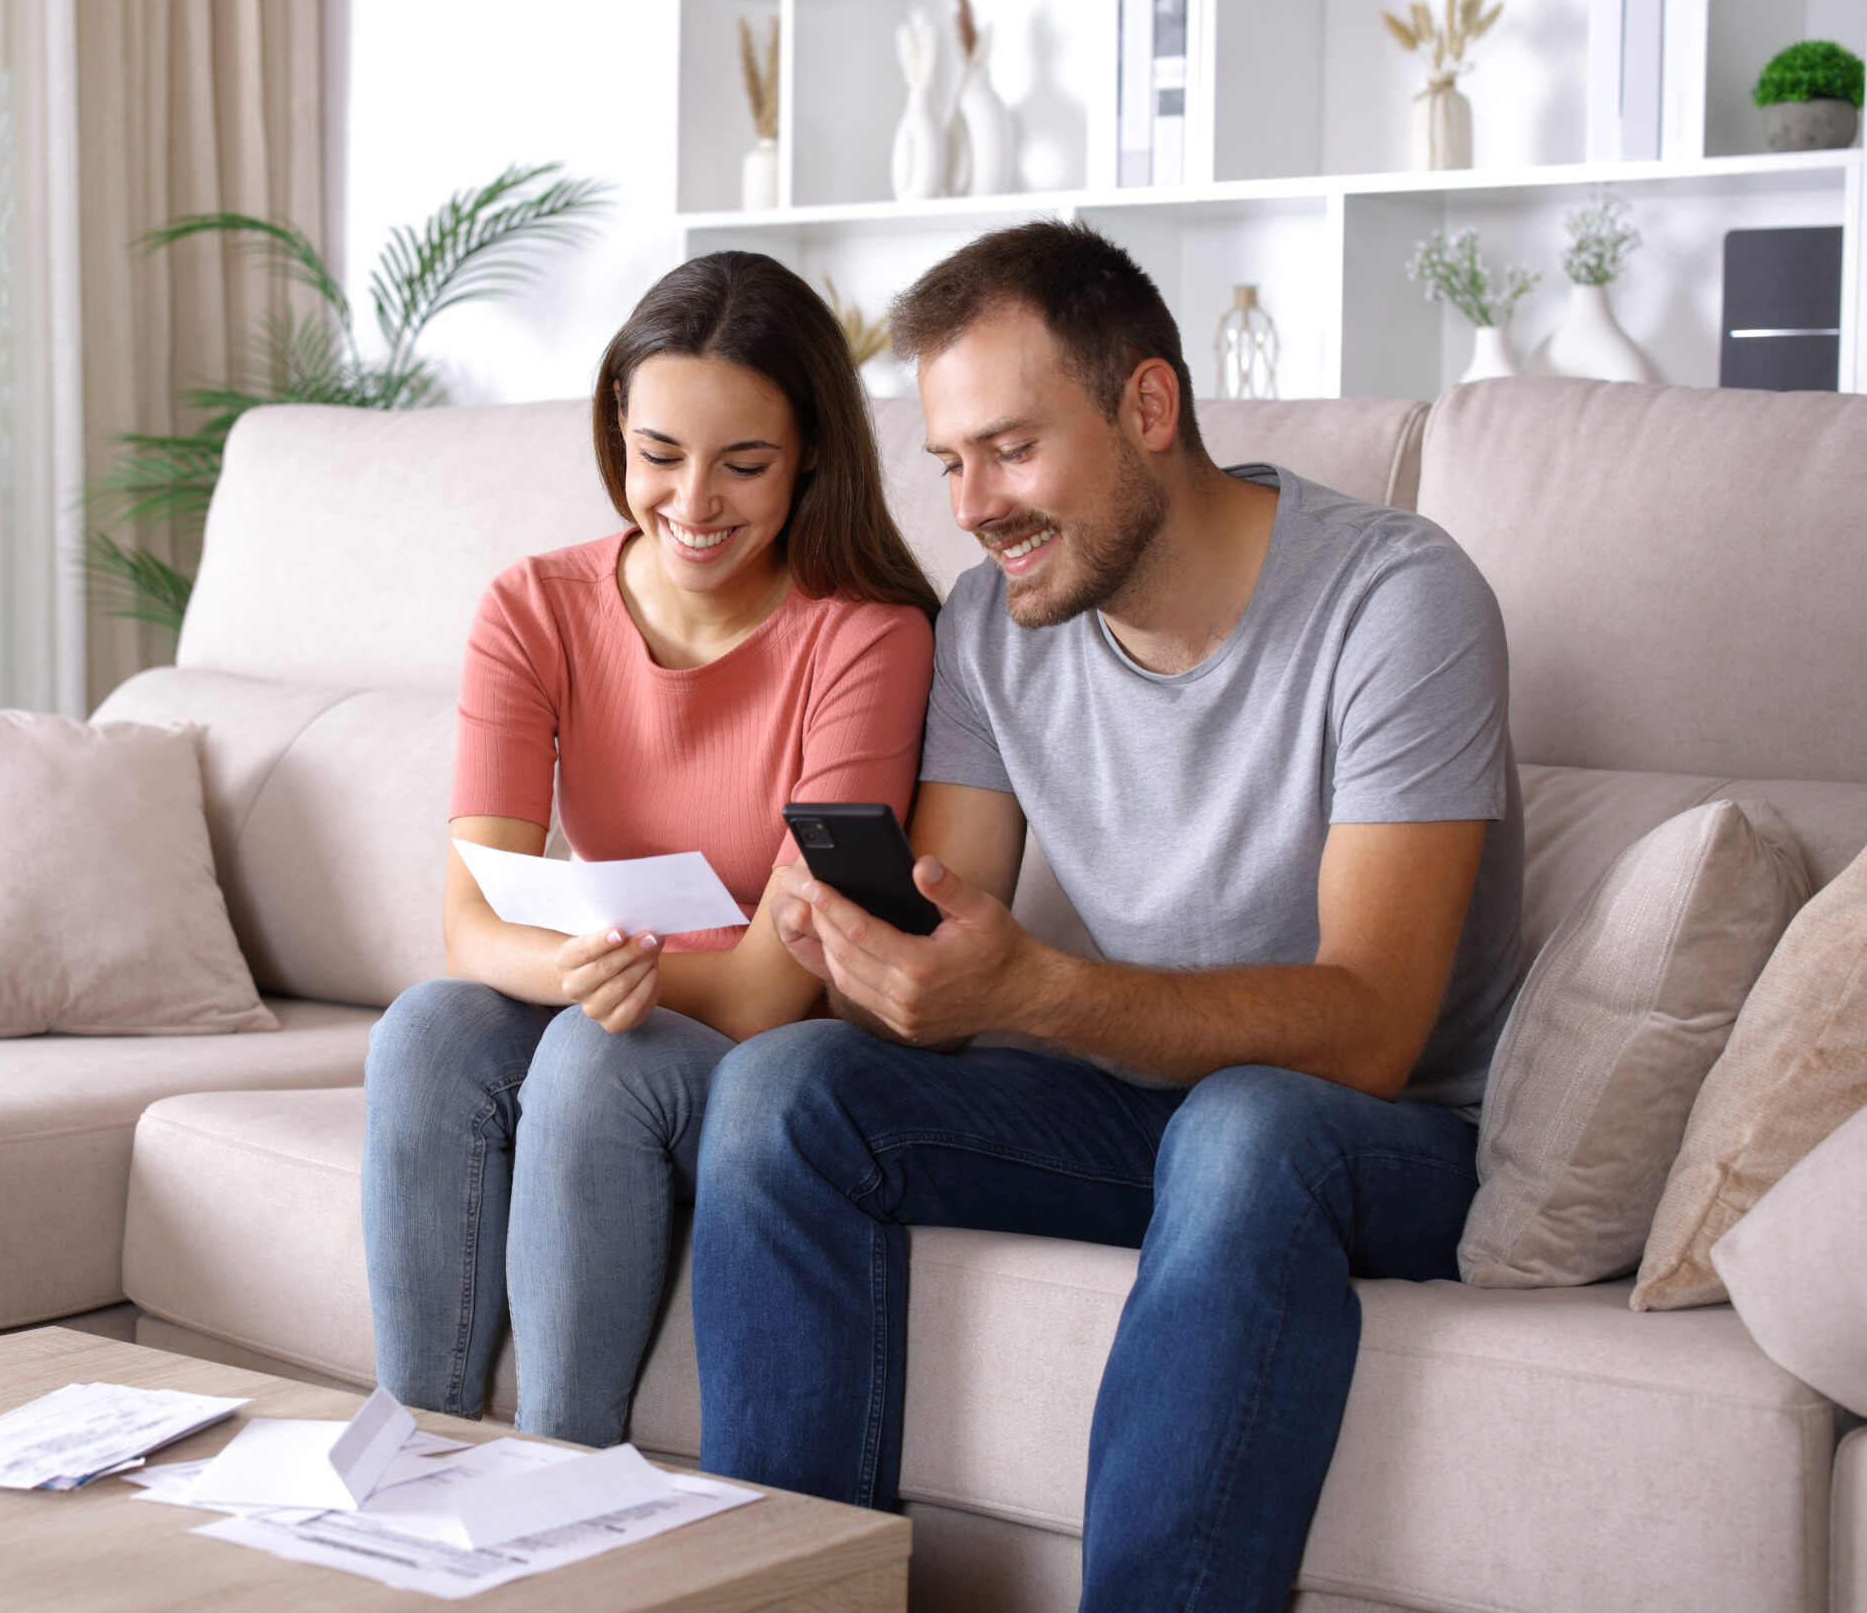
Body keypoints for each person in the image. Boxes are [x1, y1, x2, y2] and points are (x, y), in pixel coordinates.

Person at [691, 221, 1523, 1611]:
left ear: (1150, 405)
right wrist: (864, 958)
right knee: (786, 1089)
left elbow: (1375, 1026)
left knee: (1248, 1125)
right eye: (950, 462)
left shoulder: (1398, 600)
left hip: (1381, 1136)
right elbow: (952, 957)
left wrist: (1028, 992)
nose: (973, 505)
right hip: (1137, 1106)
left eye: (1011, 449)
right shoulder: (991, 622)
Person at [361, 251, 941, 1448]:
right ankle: (414, 1460)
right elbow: (470, 922)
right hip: (603, 986)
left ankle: (559, 1481)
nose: (691, 504)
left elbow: (766, 990)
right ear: (615, 428)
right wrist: (579, 971)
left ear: (812, 455)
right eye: (657, 457)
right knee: (427, 1025)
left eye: (744, 465)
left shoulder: (866, 641)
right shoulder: (534, 607)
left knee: (592, 1059)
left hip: (747, 1056)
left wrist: (598, 976)